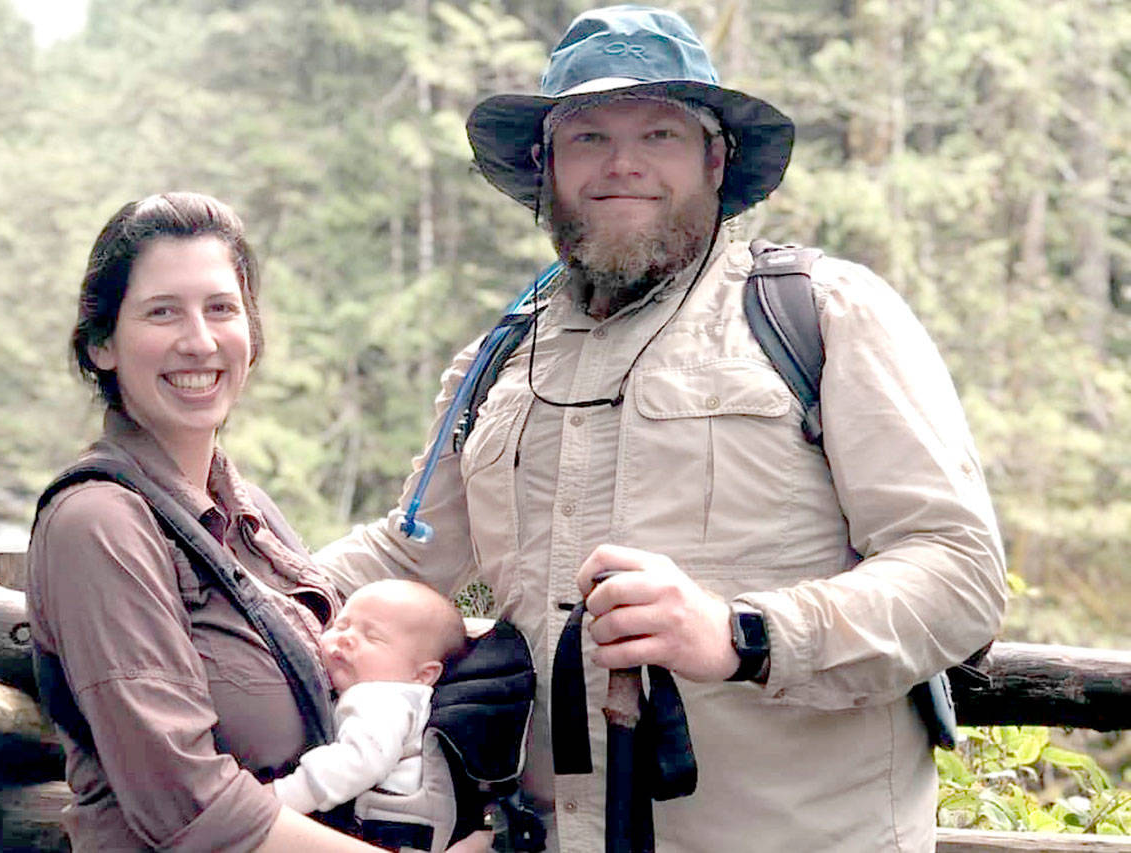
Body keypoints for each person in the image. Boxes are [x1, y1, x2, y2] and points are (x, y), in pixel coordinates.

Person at [316, 6, 1008, 852]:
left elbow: (960, 573)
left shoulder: (820, 314)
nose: (623, 165)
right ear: (546, 166)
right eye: (587, 138)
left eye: (660, 134)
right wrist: (208, 577)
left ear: (716, 159)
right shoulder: (495, 366)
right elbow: (413, 554)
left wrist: (741, 633)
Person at [27, 192, 488, 852]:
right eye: (162, 312)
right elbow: (191, 811)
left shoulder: (250, 512)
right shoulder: (98, 523)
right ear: (102, 343)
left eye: (221, 308)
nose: (199, 340)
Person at [273, 580, 466, 823]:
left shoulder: (384, 700)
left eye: (372, 637)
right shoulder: (397, 698)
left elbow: (359, 761)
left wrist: (279, 796)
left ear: (422, 675)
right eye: (341, 625)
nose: (347, 638)